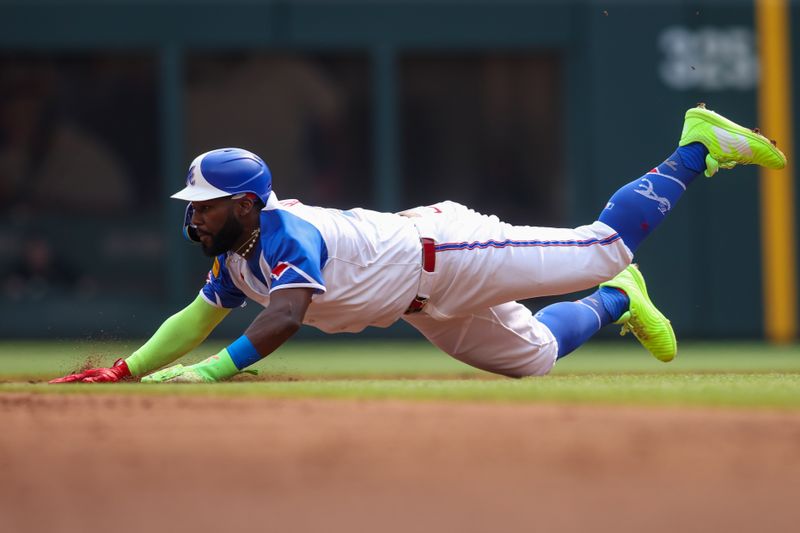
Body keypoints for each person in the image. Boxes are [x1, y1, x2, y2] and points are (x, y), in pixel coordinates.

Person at [50, 104, 786, 384]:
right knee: (531, 359)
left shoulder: (283, 233)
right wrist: (127, 369)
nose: (195, 218)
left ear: (243, 203)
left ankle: (697, 144)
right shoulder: (234, 253)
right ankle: (620, 301)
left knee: (602, 244)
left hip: (446, 250)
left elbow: (284, 317)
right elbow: (197, 316)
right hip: (423, 299)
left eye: (204, 207)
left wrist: (209, 375)